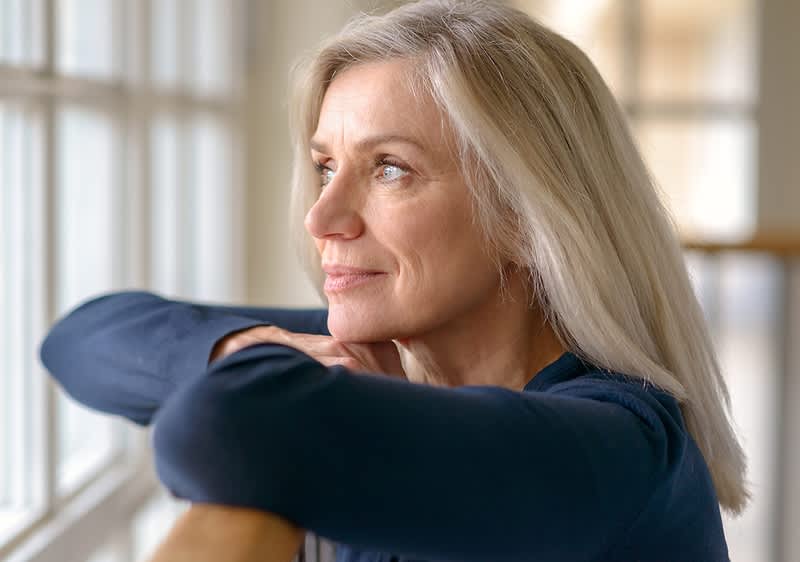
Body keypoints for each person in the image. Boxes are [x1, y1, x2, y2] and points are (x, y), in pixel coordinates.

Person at [39, 1, 749, 561]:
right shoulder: (374, 349)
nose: (322, 216)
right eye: (325, 166)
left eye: (389, 169)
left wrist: (263, 377)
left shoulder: (619, 447)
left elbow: (223, 429)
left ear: (527, 218)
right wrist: (237, 348)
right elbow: (81, 339)